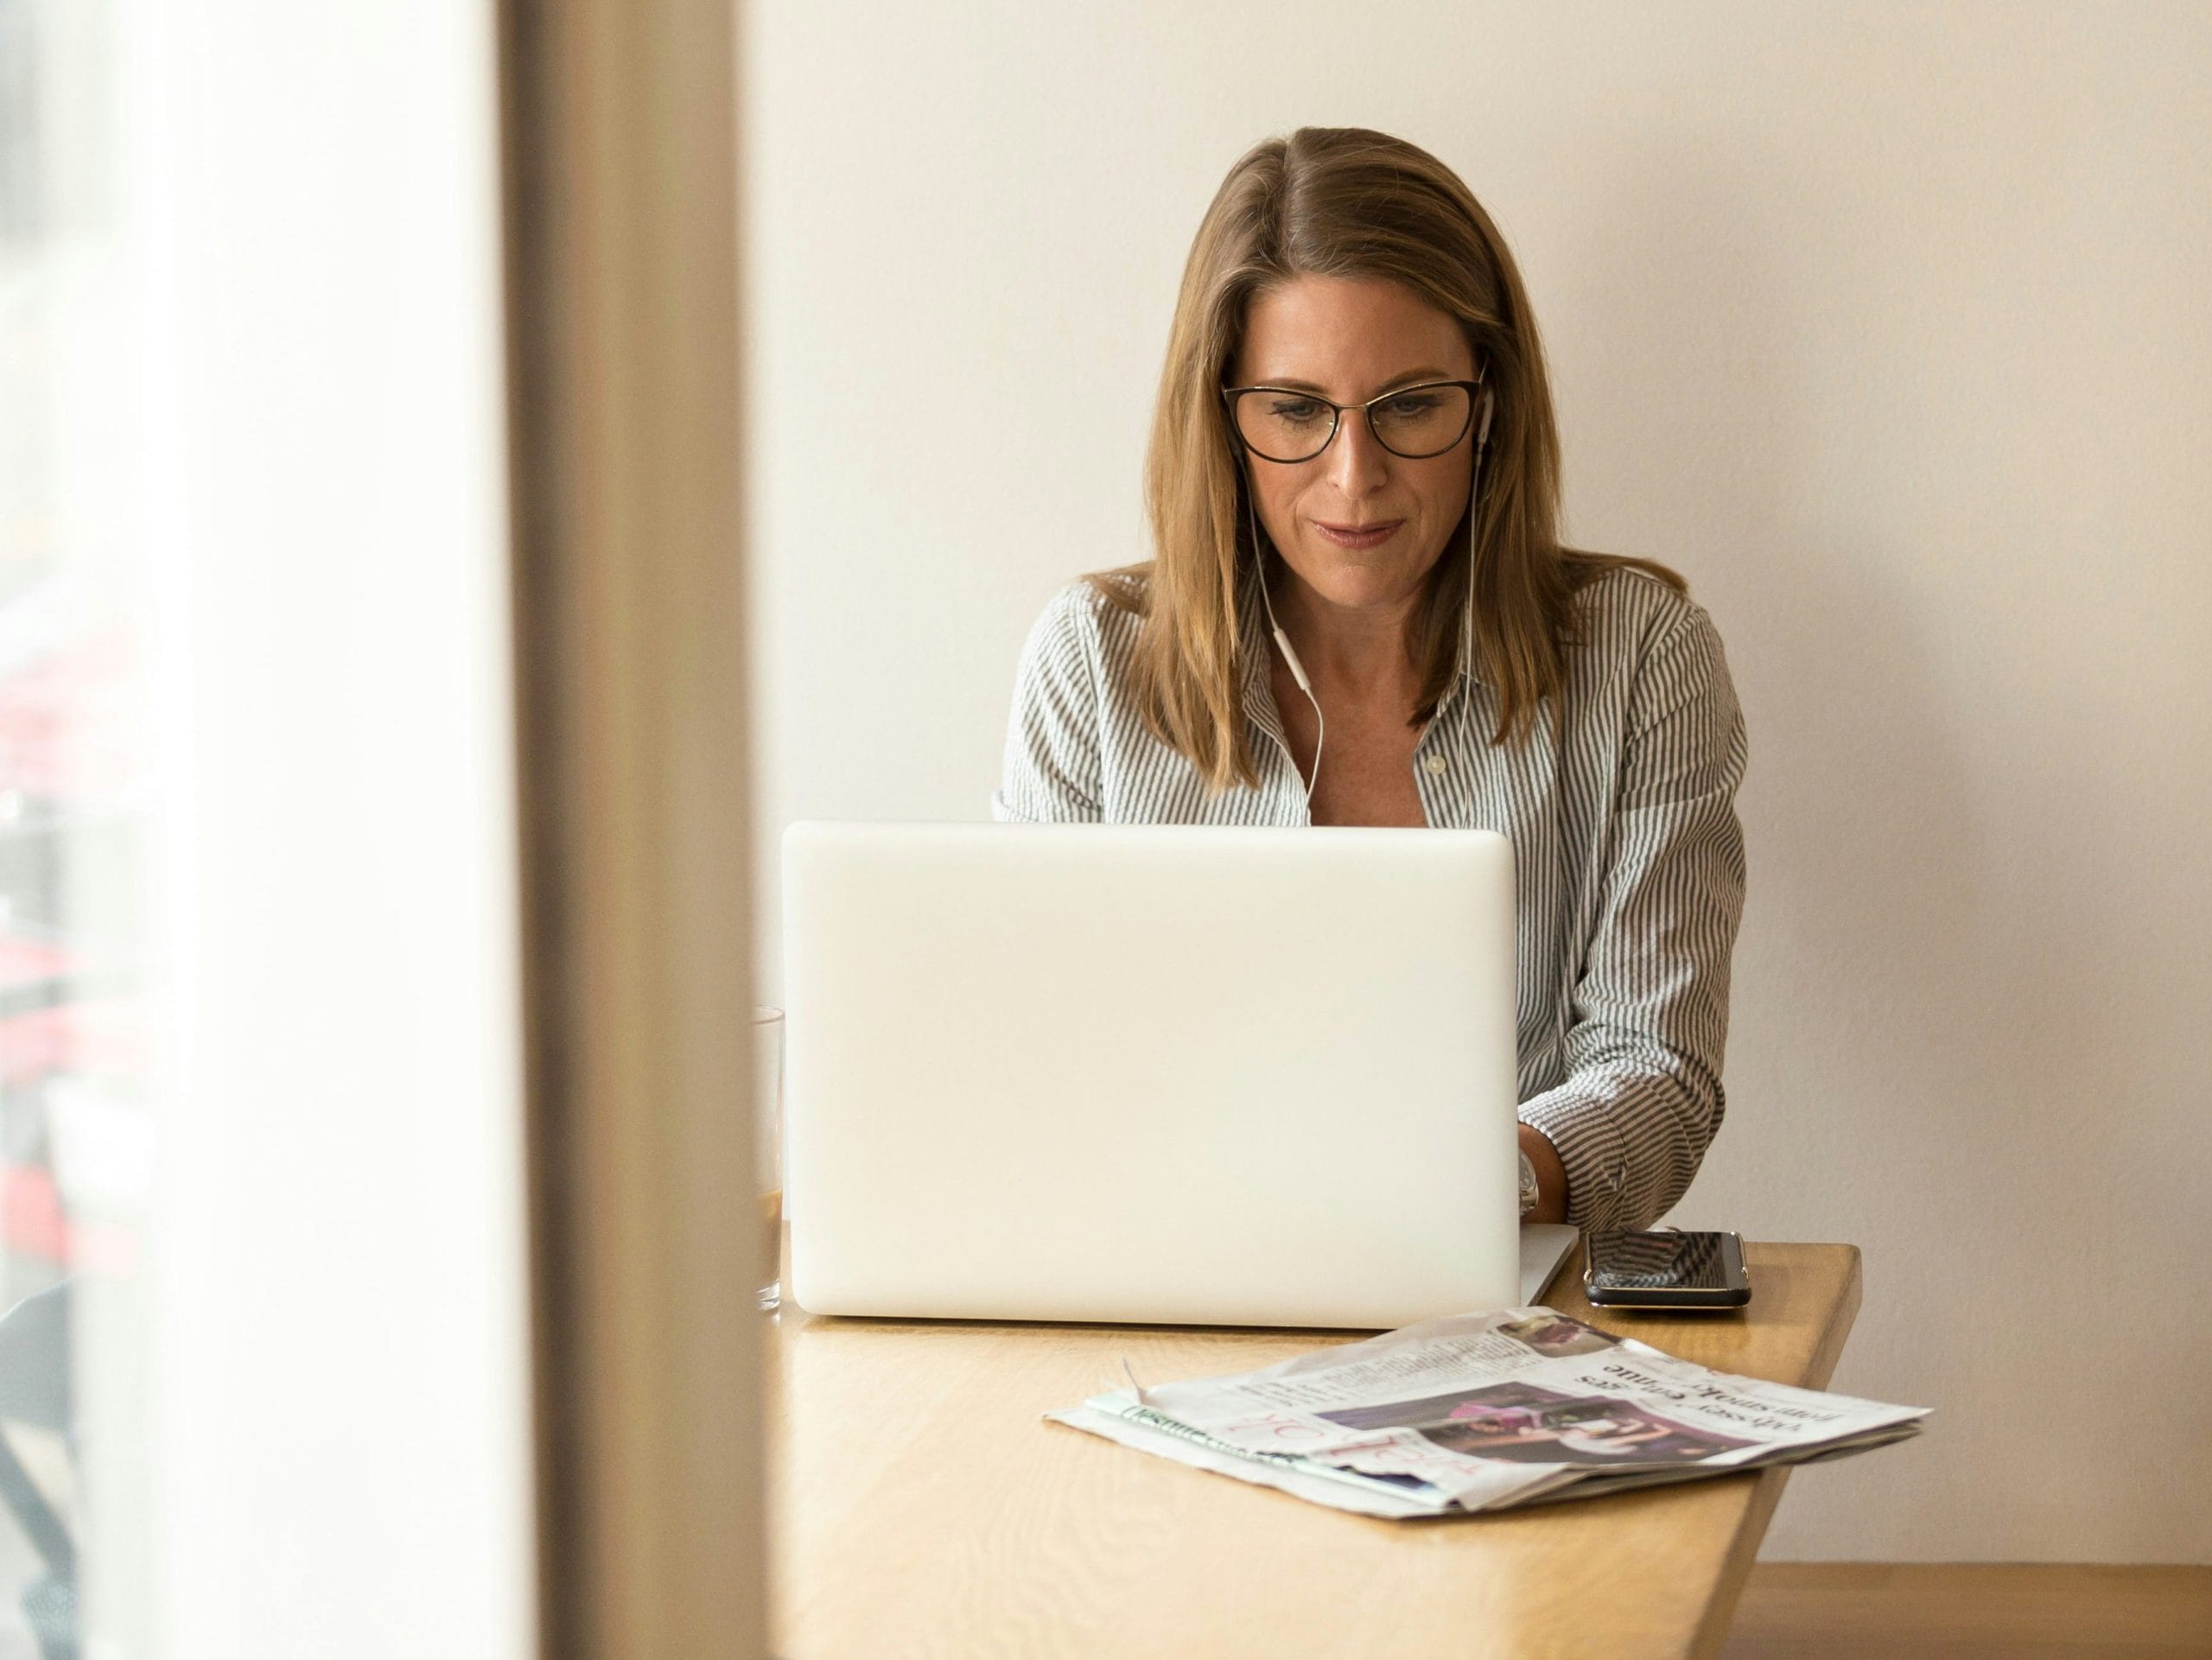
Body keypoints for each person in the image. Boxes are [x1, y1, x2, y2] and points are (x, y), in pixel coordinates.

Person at [990, 126, 1747, 1235]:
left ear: (1487, 402)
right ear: (1223, 418)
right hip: (1160, 1288)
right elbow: (1031, 1064)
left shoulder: (1641, 657)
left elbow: (1658, 1074)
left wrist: (1457, 1190)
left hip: (1503, 1310)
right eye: (1295, 412)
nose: (1354, 478)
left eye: (1408, 406)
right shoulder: (1092, 662)